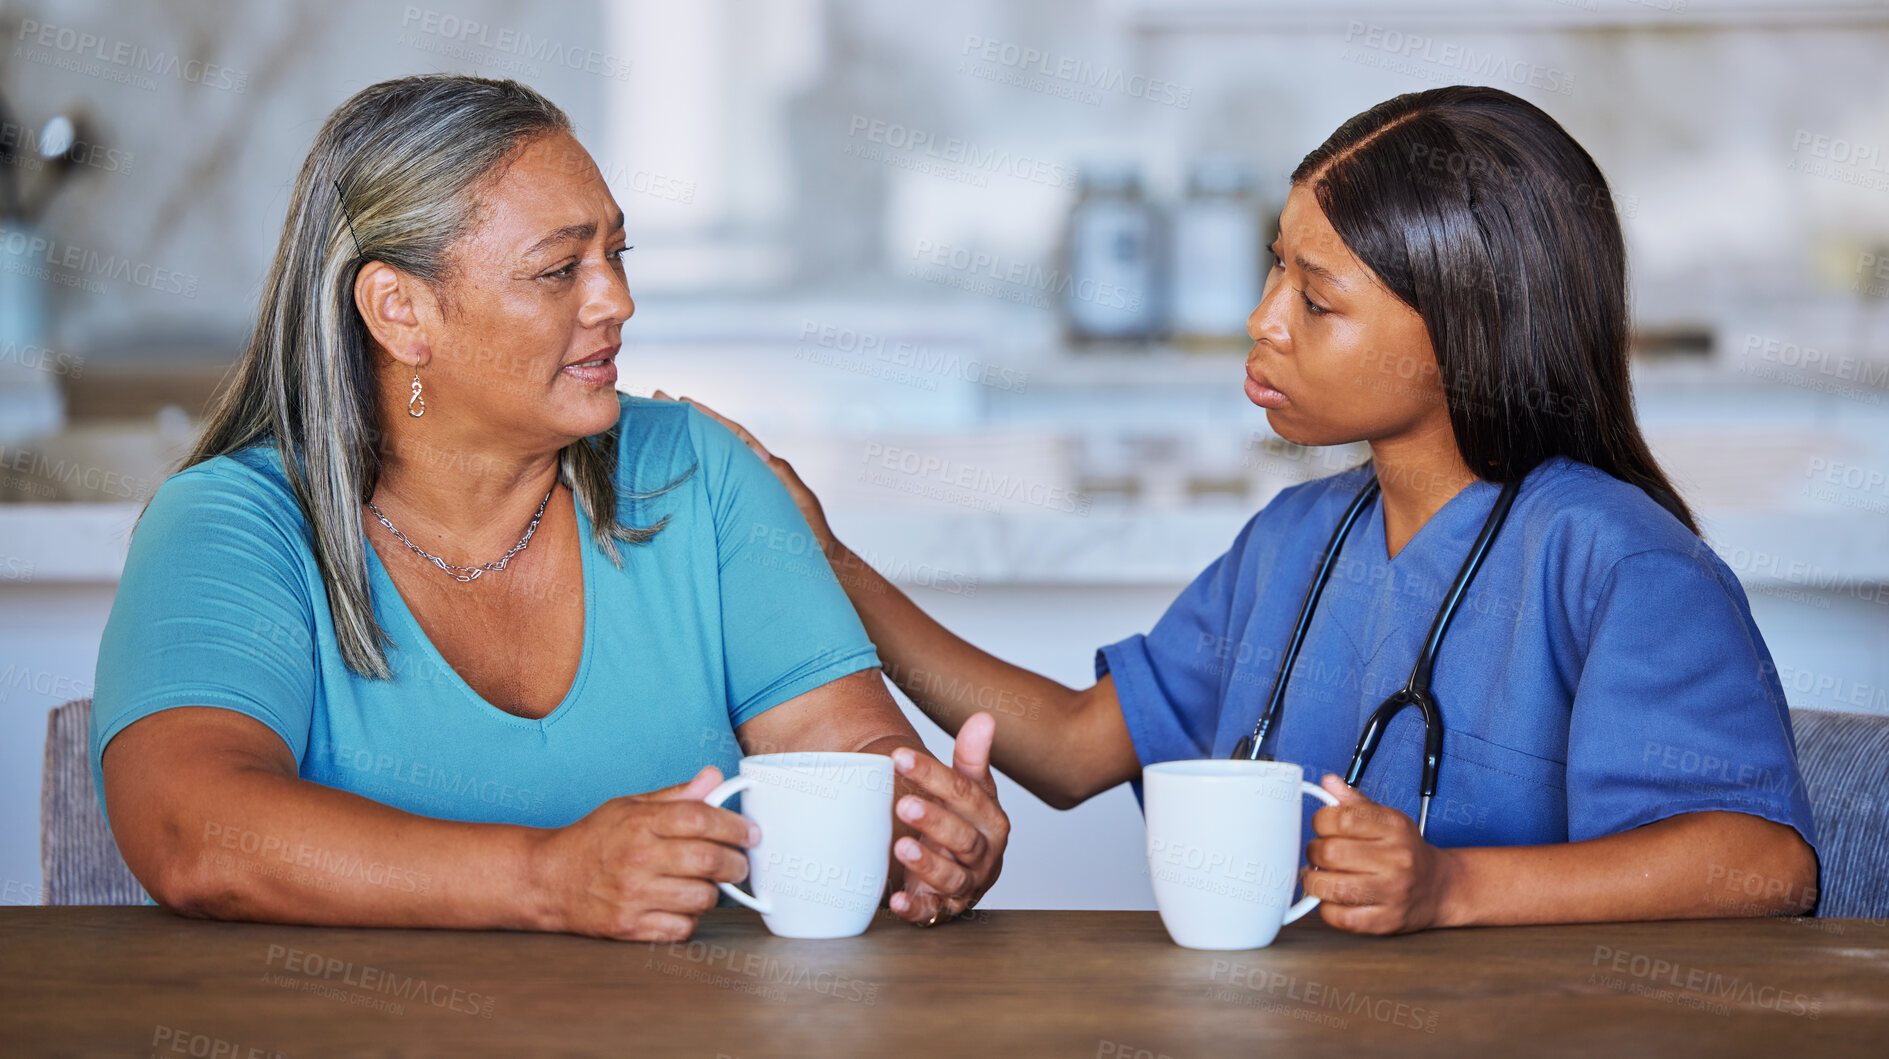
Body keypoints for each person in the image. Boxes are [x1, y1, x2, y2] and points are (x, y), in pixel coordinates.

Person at [677, 85, 1820, 934]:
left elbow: (1763, 865)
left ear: (1464, 326)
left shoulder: (1612, 562)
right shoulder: (1295, 544)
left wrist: (1450, 886)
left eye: (1315, 300)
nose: (1261, 322)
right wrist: (823, 558)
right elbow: (1076, 749)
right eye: (1274, 271)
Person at [91, 74, 1007, 940]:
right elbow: (192, 833)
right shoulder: (231, 524)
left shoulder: (699, 470)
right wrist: (547, 877)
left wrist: (918, 826)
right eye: (557, 269)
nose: (618, 299)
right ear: (400, 310)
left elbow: (840, 743)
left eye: (615, 252)